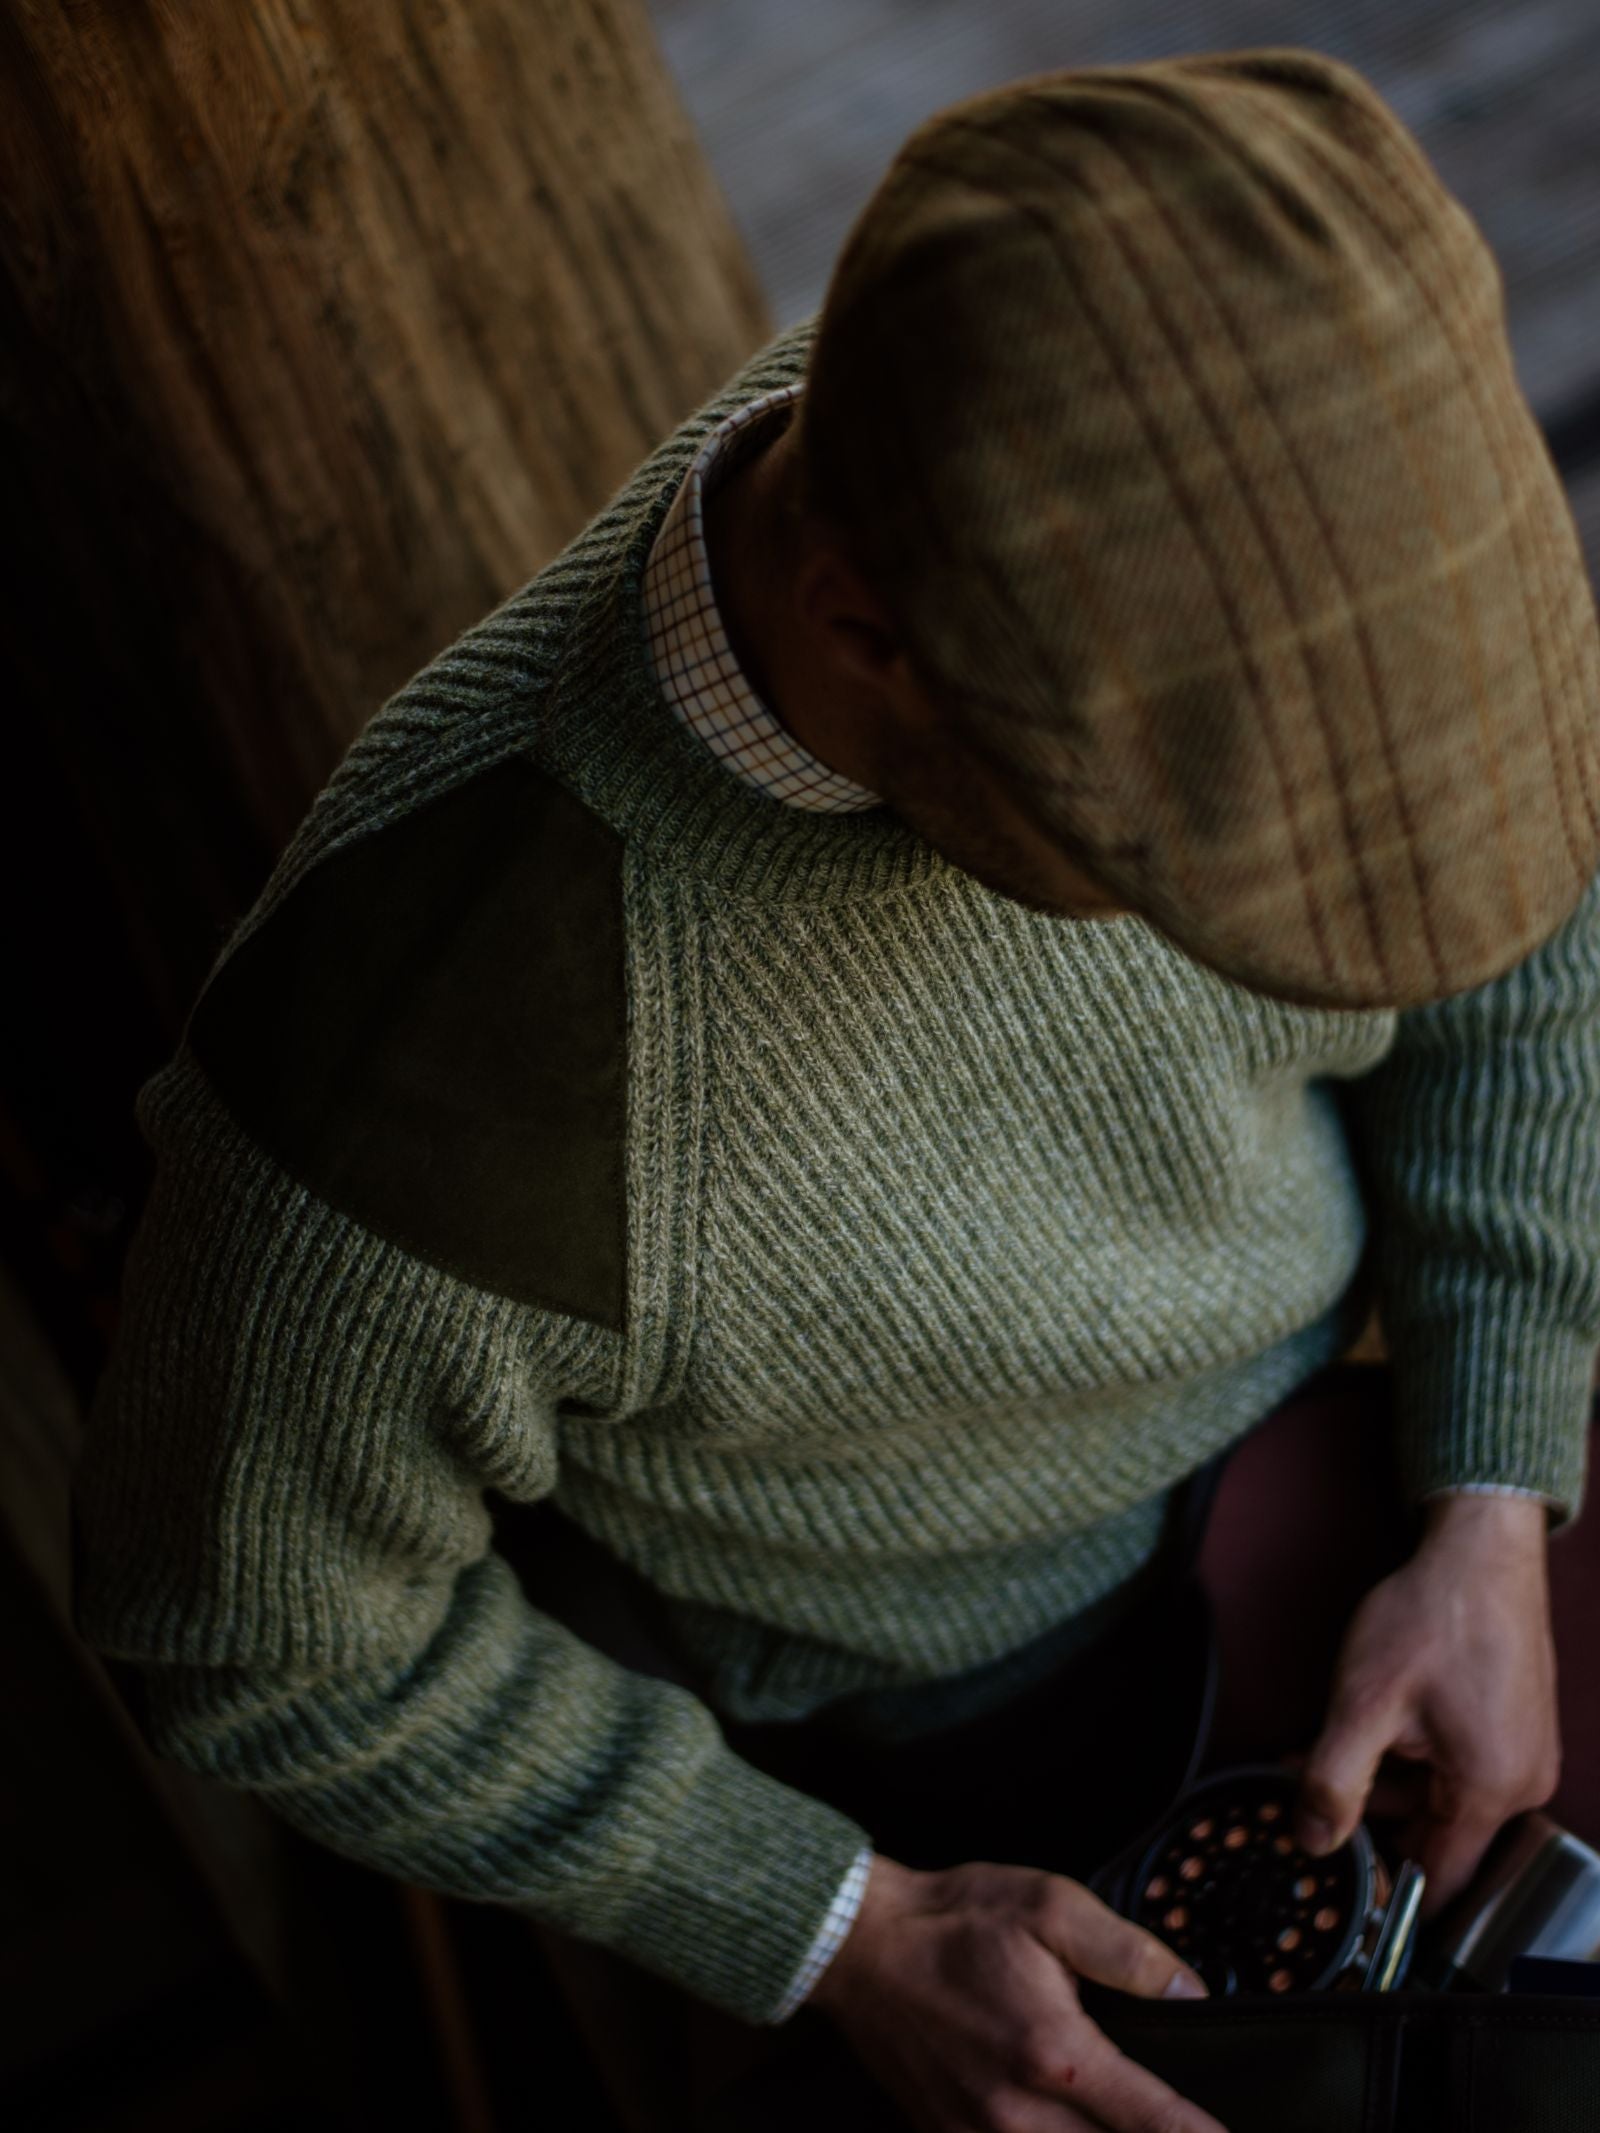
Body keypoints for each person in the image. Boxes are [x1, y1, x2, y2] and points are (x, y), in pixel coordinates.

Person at [72, 45, 1600, 2133]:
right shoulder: (422, 1071)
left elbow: (1513, 914)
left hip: (1407, 1436)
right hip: (1000, 1718)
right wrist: (837, 1922)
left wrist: (1491, 1482)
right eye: (1215, 892)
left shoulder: (1196, 418)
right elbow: (246, 1631)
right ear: (864, 629)